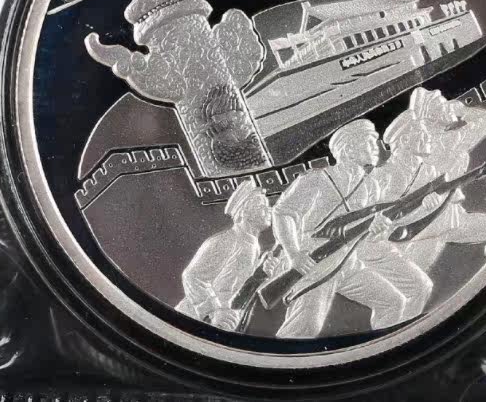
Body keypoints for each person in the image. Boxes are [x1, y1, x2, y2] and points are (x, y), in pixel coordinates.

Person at [272, 118, 433, 338]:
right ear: (349, 150)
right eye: (369, 142)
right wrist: (294, 254)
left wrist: (381, 229)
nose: (377, 147)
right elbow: (282, 213)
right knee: (307, 327)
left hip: (348, 261)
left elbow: (369, 235)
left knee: (393, 302)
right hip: (314, 262)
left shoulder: (371, 186)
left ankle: (380, 350)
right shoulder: (316, 179)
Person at [374, 87, 486, 277]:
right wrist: (460, 110)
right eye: (441, 105)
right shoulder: (441, 141)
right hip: (427, 224)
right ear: (431, 113)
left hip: (449, 214)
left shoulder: (438, 139)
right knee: (414, 280)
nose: (447, 106)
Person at [175, 180, 278, 331]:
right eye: (262, 206)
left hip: (221, 324)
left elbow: (233, 285)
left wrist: (260, 274)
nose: (269, 210)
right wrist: (214, 311)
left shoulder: (252, 245)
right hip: (189, 322)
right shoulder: (229, 240)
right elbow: (192, 276)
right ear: (244, 212)